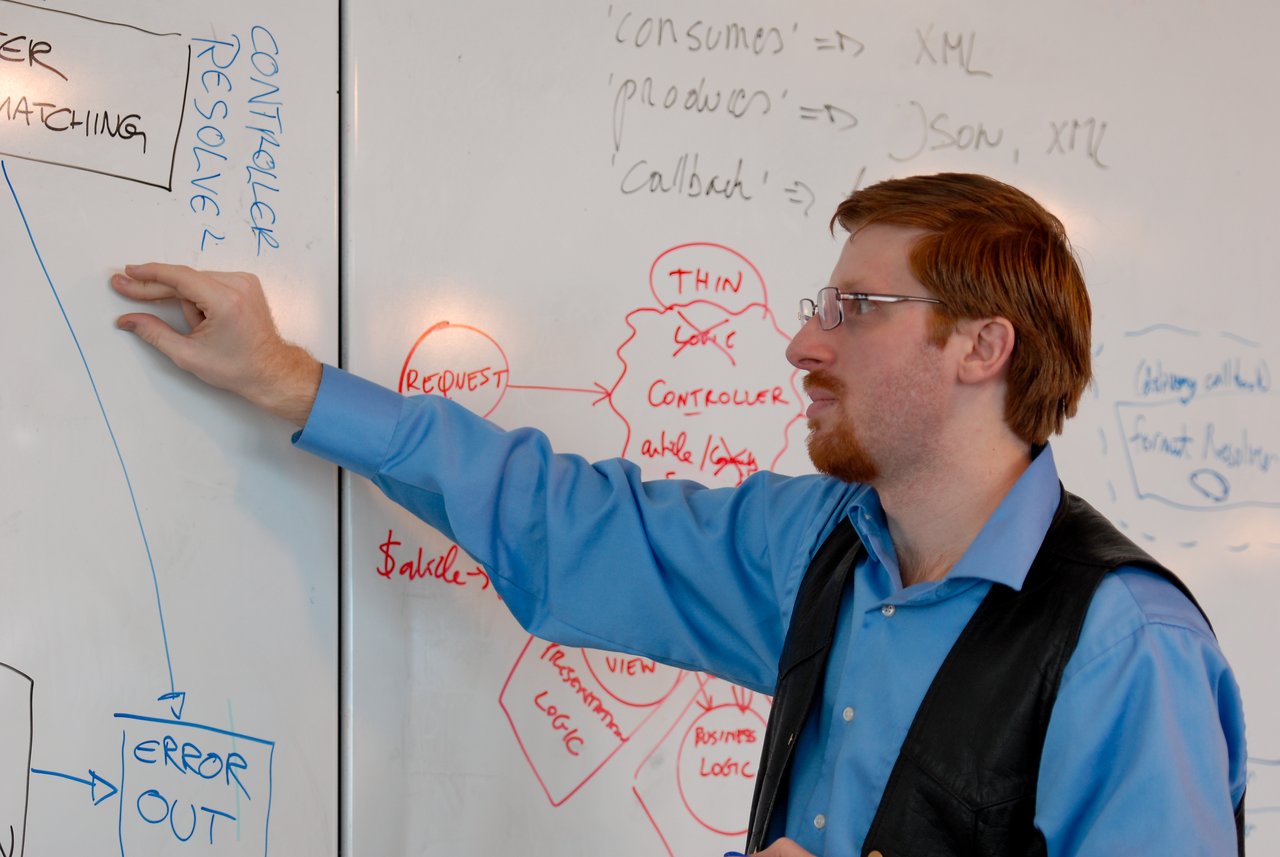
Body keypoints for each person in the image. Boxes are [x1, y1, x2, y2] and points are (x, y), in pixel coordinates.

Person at [112, 173, 1247, 856]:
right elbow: (565, 520)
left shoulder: (1122, 646)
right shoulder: (819, 549)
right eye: (821, 304)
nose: (806, 339)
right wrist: (288, 381)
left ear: (979, 345)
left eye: (856, 307)